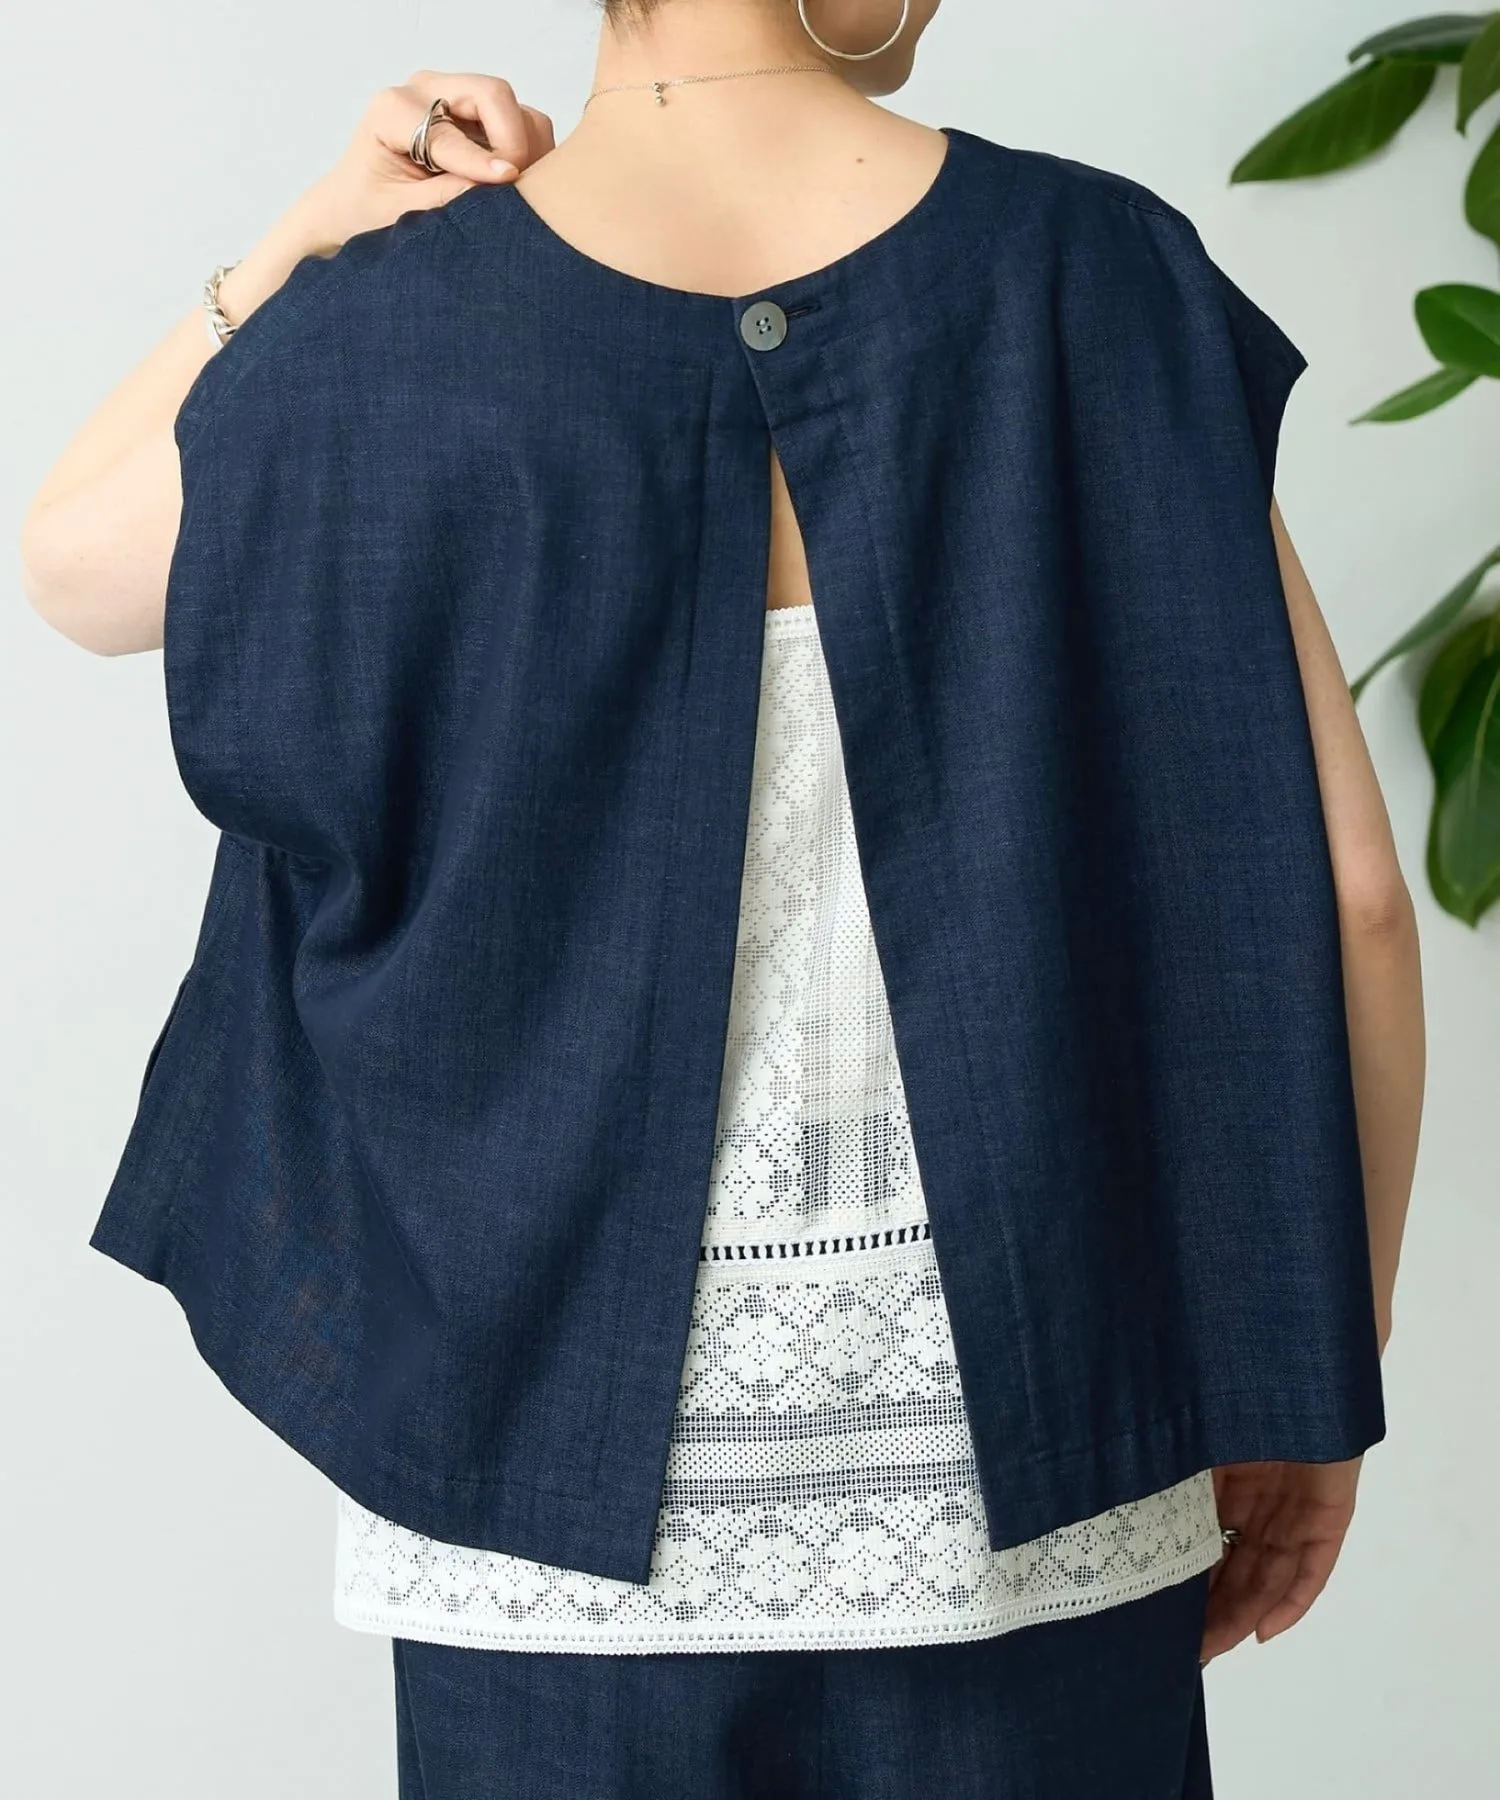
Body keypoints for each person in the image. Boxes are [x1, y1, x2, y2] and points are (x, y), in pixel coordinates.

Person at [20, 1, 1425, 1795]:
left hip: (527, 1487)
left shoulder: (381, 335)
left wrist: (311, 231)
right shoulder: (1099, 273)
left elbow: (75, 567)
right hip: (1047, 1457)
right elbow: (1354, 899)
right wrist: (1305, 1367)